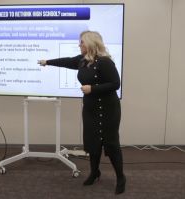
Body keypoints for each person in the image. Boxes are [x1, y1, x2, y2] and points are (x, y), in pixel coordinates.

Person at [38, 31, 126, 194]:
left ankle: (121, 177)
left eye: (82, 43)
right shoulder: (83, 61)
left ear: (91, 43)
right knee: (92, 142)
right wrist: (47, 62)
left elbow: (115, 84)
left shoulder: (105, 62)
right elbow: (67, 61)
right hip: (91, 108)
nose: (79, 45)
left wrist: (92, 88)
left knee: (111, 144)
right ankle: (94, 172)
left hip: (108, 109)